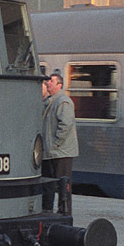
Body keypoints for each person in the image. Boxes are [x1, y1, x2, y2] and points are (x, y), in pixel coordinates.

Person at [41, 71, 79, 211]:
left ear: (60, 85)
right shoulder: (50, 101)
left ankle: (64, 211)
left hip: (61, 152)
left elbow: (66, 124)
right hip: (52, 151)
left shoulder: (63, 101)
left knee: (64, 184)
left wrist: (56, 144)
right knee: (50, 183)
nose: (48, 83)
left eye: (51, 81)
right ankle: (48, 209)